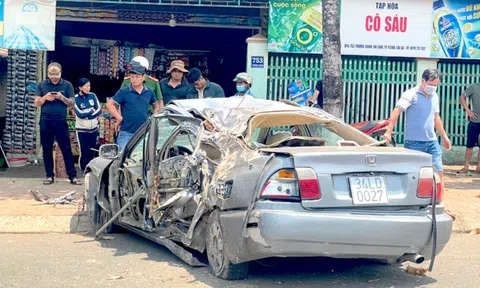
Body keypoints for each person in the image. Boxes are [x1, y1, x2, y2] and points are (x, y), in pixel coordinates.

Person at [383, 68, 451, 184]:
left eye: (436, 85)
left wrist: (444, 136)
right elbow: (396, 111)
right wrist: (389, 131)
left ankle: (439, 200)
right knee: (413, 176)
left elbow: (436, 118)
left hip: (432, 142)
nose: (433, 88)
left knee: (438, 173)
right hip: (414, 143)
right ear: (423, 81)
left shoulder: (434, 96)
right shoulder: (410, 94)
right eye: (431, 84)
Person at [34, 62, 82, 185]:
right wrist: (45, 98)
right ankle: (49, 175)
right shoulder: (42, 85)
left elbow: (72, 103)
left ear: (60, 73)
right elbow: (36, 103)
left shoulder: (67, 85)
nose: (54, 78)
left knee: (66, 147)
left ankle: (72, 176)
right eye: (51, 75)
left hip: (61, 119)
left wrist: (61, 97)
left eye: (56, 75)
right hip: (46, 119)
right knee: (47, 148)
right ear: (48, 74)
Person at [106, 61, 161, 150]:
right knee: (122, 157)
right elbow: (109, 104)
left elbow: (156, 105)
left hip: (143, 132)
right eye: (132, 77)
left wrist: (152, 119)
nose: (134, 79)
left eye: (137, 77)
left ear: (143, 77)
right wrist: (119, 118)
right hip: (126, 132)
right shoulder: (124, 91)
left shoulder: (149, 92)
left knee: (140, 157)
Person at [73, 78, 102, 173]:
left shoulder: (92, 96)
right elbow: (80, 114)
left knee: (92, 151)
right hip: (82, 129)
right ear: (80, 87)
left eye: (89, 86)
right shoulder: (75, 99)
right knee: (84, 151)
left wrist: (88, 115)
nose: (89, 88)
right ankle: (83, 170)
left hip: (93, 128)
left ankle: (91, 170)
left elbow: (99, 110)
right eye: (86, 86)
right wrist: (91, 112)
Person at [458, 81, 480, 173]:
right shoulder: (474, 87)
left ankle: (479, 167)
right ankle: (466, 166)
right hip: (475, 120)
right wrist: (468, 111)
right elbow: (462, 97)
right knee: (470, 145)